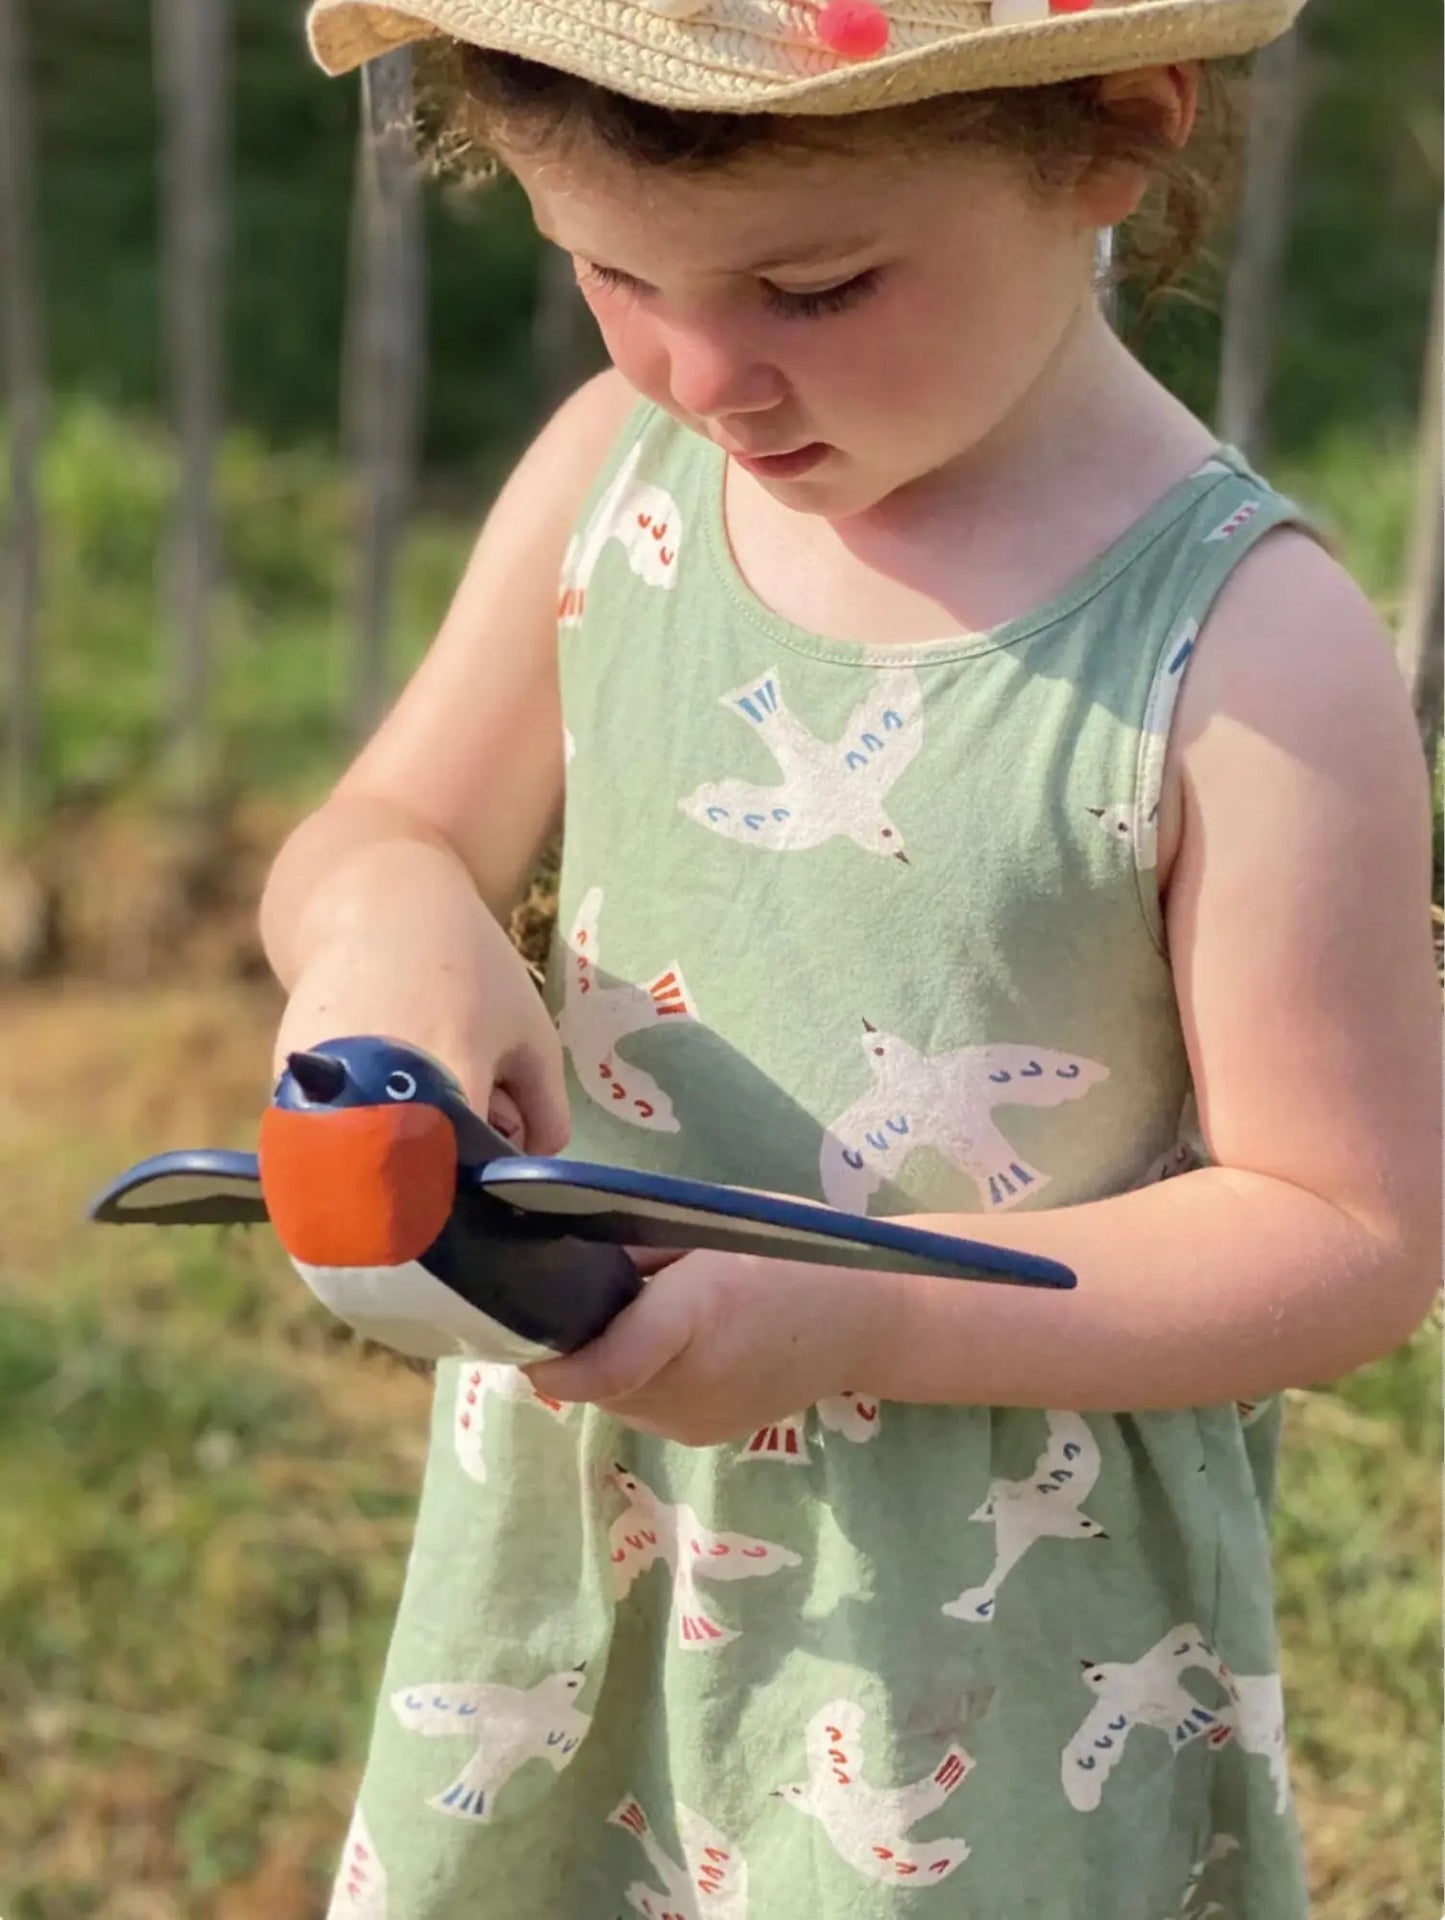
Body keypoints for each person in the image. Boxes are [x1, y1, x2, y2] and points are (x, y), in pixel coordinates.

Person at [265, 0, 1440, 1911]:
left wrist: (861, 1315)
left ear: (1111, 140)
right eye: (609, 274)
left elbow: (1347, 1233)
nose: (702, 372)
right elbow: (375, 833)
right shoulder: (615, 479)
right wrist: (388, 922)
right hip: (595, 1536)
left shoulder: (1245, 654)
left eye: (813, 287)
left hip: (976, 1619)